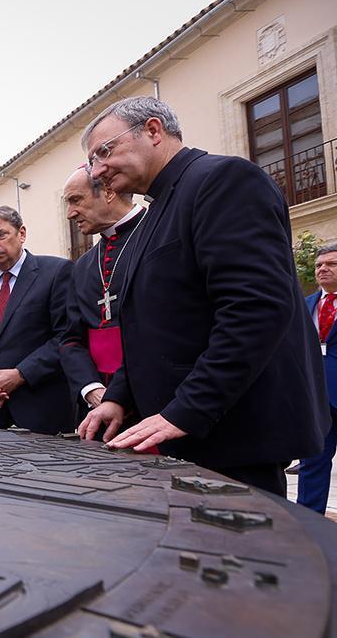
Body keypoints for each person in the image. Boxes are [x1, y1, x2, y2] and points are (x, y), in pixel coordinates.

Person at [78, 96, 327, 496]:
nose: (98, 170)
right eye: (92, 161)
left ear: (154, 131)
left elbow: (255, 308)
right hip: (191, 434)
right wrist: (119, 399)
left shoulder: (223, 180)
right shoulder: (154, 212)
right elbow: (155, 326)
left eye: (104, 152)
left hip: (234, 433)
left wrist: (188, 408)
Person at [0, 207, 74, 434]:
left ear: (21, 233)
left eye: (0, 235)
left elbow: (66, 336)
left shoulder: (56, 272)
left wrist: (21, 374)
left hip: (41, 408)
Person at [58, 167, 145, 431]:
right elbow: (71, 338)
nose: (70, 213)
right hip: (96, 404)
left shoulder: (156, 235)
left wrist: (118, 393)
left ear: (108, 192)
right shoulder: (83, 265)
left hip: (150, 392)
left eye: (76, 200)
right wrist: (92, 388)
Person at [299, 244, 337, 513]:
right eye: (319, 265)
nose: (322, 268)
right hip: (316, 398)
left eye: (331, 264)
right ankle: (308, 522)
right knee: (313, 460)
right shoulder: (306, 304)